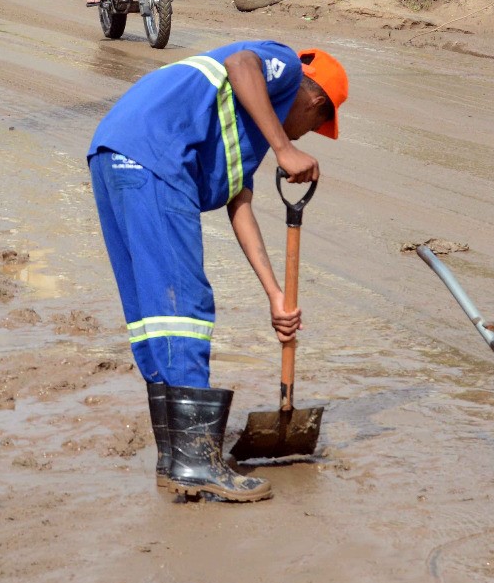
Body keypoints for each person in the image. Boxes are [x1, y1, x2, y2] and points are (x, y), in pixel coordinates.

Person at [88, 41, 348, 502]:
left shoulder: (238, 128)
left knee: (153, 314)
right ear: (314, 101)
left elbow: (239, 204)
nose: (307, 135)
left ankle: (175, 457)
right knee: (184, 306)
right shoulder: (283, 66)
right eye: (313, 127)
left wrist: (275, 296)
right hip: (155, 160)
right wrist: (285, 147)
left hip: (116, 153)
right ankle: (197, 463)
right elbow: (241, 61)